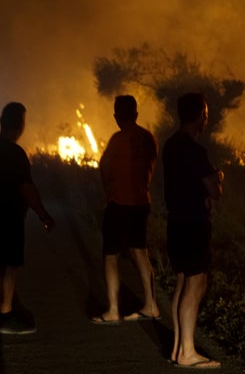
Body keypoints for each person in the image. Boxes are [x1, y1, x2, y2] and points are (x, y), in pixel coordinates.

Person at [0, 102, 56, 334]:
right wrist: (43, 214)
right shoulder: (15, 153)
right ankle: (5, 315)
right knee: (9, 264)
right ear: (20, 126)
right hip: (8, 216)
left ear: (1, 122)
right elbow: (26, 188)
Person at [163, 93, 224, 369]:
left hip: (176, 223)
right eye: (206, 113)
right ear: (201, 115)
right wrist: (218, 178)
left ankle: (178, 349)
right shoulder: (195, 151)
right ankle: (188, 352)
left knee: (182, 281)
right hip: (194, 223)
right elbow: (214, 190)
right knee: (196, 283)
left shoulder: (170, 145)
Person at [90, 95, 161, 324]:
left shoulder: (118, 139)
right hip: (142, 202)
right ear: (136, 114)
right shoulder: (148, 137)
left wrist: (109, 192)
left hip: (119, 203)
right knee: (140, 252)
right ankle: (151, 305)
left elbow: (105, 169)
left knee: (110, 256)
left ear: (117, 116)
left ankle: (112, 310)